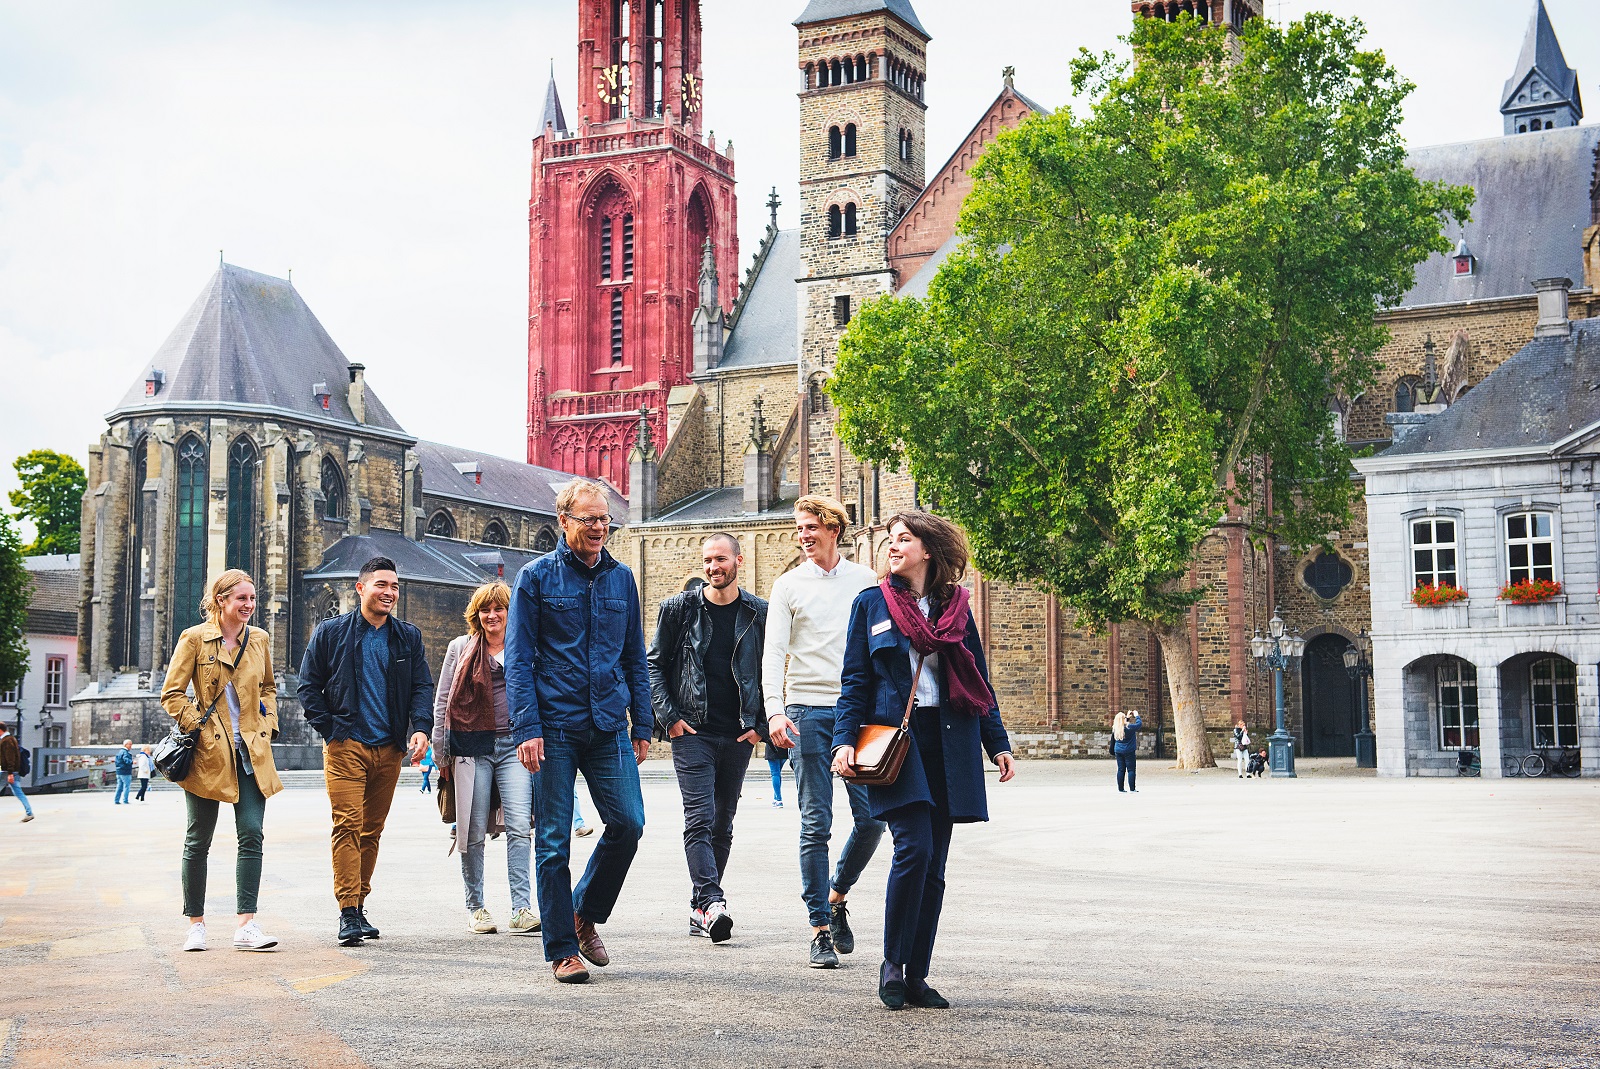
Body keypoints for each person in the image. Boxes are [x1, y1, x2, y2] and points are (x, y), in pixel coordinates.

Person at [831, 511, 1015, 1009]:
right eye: (891, 539)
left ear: (928, 550)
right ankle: (892, 966)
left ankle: (917, 975)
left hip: (950, 738)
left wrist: (997, 743)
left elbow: (976, 678)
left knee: (935, 865)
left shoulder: (956, 606)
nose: (893, 546)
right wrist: (842, 741)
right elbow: (855, 680)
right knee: (912, 848)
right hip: (896, 740)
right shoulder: (871, 604)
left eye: (903, 539)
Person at [506, 479, 652, 984]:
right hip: (554, 726)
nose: (598, 528)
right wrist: (527, 727)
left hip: (609, 723)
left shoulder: (621, 579)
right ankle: (562, 949)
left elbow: (635, 655)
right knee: (552, 841)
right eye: (588, 519)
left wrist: (644, 721)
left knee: (629, 823)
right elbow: (518, 660)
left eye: (604, 519)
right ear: (563, 521)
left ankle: (582, 910)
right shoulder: (536, 578)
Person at [763, 495, 884, 969]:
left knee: (873, 818)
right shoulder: (787, 585)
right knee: (816, 822)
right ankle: (818, 928)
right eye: (798, 528)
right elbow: (773, 655)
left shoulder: (865, 581)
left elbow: (879, 650)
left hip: (857, 713)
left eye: (811, 526)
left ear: (834, 528)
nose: (803, 535)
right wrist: (774, 711)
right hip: (806, 711)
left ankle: (836, 896)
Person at [299, 556, 434, 947]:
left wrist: (421, 728)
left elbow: (422, 687)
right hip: (346, 746)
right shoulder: (331, 632)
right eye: (381, 585)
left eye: (394, 586)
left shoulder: (408, 637)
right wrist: (330, 730)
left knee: (371, 831)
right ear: (360, 588)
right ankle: (347, 912)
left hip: (389, 749)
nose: (389, 592)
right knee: (346, 826)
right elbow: (309, 685)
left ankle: (359, 906)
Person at [647, 533, 767, 944]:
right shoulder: (678, 609)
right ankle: (714, 901)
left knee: (723, 823)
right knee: (698, 818)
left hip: (738, 735)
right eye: (707, 560)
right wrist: (670, 718)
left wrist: (761, 727)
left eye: (720, 559)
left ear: (738, 561)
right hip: (692, 731)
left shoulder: (758, 613)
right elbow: (655, 665)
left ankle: (700, 911)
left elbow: (770, 671)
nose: (713, 567)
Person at [159, 568, 284, 952]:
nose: (249, 605)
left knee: (252, 833)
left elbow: (267, 687)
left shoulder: (259, 639)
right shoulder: (194, 639)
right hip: (208, 753)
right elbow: (172, 693)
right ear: (221, 601)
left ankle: (246, 923)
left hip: (251, 751)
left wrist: (269, 725)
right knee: (199, 839)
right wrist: (201, 727)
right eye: (241, 599)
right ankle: (195, 924)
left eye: (251, 599)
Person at [432, 581, 539, 938]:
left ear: (511, 611)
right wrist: (441, 752)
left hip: (514, 747)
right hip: (470, 748)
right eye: (484, 609)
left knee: (520, 828)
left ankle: (521, 909)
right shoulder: (460, 648)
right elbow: (443, 700)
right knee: (472, 831)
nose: (492, 615)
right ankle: (476, 907)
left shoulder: (526, 645)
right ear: (476, 615)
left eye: (499, 608)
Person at [0, 721, 34, 823]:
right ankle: (29, 813)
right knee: (18, 792)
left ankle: (29, 813)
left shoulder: (7, 741)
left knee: (18, 792)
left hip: (7, 772)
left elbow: (10, 758)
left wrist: (10, 773)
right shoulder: (11, 739)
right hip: (12, 771)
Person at [1113, 710, 1143, 793]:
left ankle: (1121, 788)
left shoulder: (1116, 728)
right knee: (1131, 770)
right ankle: (1132, 788)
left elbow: (1122, 723)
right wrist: (1137, 716)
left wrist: (1127, 717)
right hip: (1129, 750)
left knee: (1121, 770)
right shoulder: (1129, 727)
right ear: (1123, 719)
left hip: (1118, 750)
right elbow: (1139, 725)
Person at [766, 741, 790, 808]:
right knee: (777, 773)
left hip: (772, 748)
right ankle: (775, 798)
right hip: (784, 749)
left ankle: (779, 800)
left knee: (775, 774)